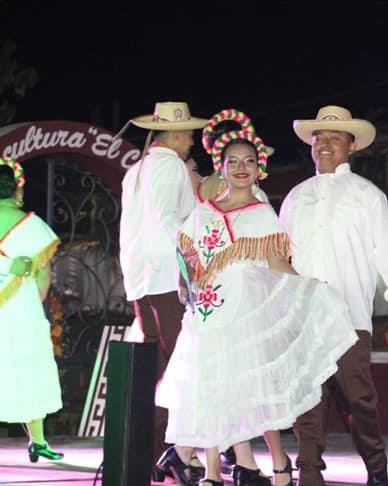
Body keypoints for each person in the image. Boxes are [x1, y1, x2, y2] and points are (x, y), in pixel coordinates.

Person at [155, 109, 358, 486]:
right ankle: (212, 472)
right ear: (222, 168)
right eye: (233, 162)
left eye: (249, 161)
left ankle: (248, 468)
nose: (241, 167)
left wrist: (312, 289)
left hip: (241, 313)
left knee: (233, 390)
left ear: (259, 167)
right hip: (205, 316)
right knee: (207, 389)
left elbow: (278, 262)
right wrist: (186, 283)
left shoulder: (263, 213)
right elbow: (185, 252)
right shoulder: (204, 213)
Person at [280, 105, 388, 486]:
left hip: (349, 314)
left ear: (351, 146)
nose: (325, 144)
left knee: (359, 400)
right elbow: (279, 254)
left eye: (335, 138)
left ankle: (376, 467)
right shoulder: (296, 196)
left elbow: (387, 249)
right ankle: (309, 474)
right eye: (318, 138)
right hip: (304, 314)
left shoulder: (367, 195)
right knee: (308, 399)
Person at [118, 101, 208, 481]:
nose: (191, 140)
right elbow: (170, 220)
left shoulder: (136, 170)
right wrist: (195, 262)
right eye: (187, 133)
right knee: (184, 367)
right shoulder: (170, 164)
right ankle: (173, 452)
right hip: (166, 276)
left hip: (141, 279)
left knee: (157, 367)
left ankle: (148, 452)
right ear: (174, 134)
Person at [0, 157, 64, 463]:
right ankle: (37, 440)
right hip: (21, 308)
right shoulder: (33, 226)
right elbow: (44, 276)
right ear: (17, 189)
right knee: (29, 370)